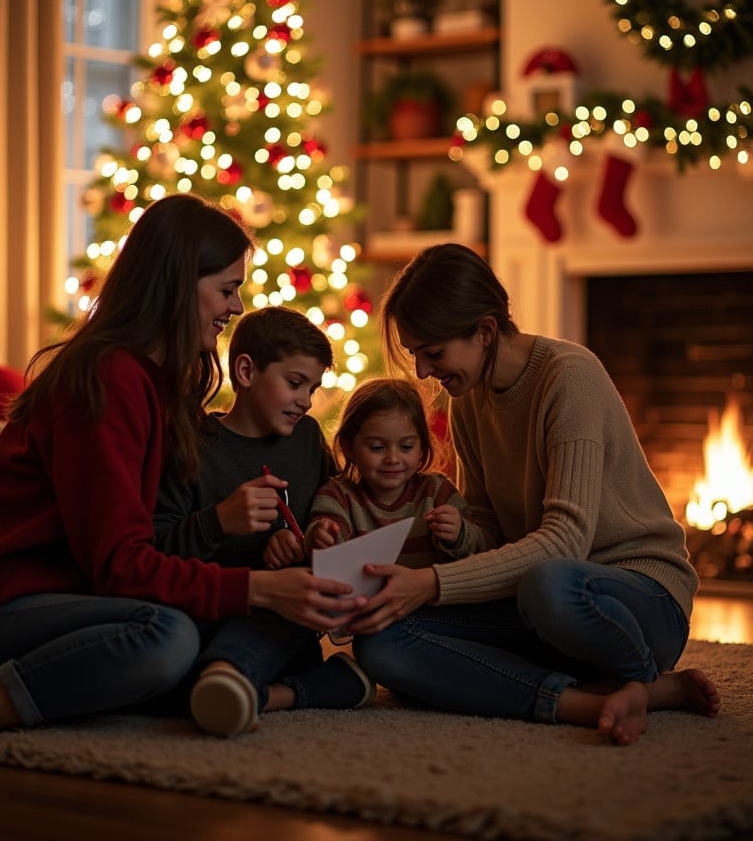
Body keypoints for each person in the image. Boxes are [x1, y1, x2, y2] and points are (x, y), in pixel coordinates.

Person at [0, 193, 363, 733]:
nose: (236, 308)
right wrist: (257, 586)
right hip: (10, 601)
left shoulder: (158, 385)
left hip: (84, 600)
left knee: (232, 631)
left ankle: (235, 687)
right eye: (227, 290)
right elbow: (120, 566)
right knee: (168, 635)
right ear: (178, 284)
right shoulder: (107, 379)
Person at [348, 243, 720, 746]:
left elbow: (566, 541)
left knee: (550, 584)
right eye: (415, 354)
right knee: (381, 639)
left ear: (484, 331)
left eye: (432, 353)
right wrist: (458, 539)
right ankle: (584, 702)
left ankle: (643, 680)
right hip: (536, 602)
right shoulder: (468, 403)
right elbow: (492, 532)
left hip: (636, 599)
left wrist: (431, 582)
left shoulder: (570, 377)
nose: (421, 372)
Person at [153, 306, 374, 737]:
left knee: (293, 599)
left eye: (313, 388)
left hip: (282, 627)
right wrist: (218, 522)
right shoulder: (191, 445)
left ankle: (231, 679)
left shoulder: (308, 438)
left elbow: (333, 509)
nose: (306, 401)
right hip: (208, 614)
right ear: (247, 370)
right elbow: (157, 550)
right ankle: (298, 688)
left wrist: (317, 537)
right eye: (294, 384)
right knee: (161, 669)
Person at [305, 377, 497, 567]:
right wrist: (321, 537)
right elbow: (324, 550)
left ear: (421, 447)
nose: (393, 458)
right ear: (349, 448)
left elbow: (483, 548)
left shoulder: (438, 491)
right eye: (377, 447)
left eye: (406, 446)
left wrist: (460, 533)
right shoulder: (338, 496)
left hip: (430, 596)